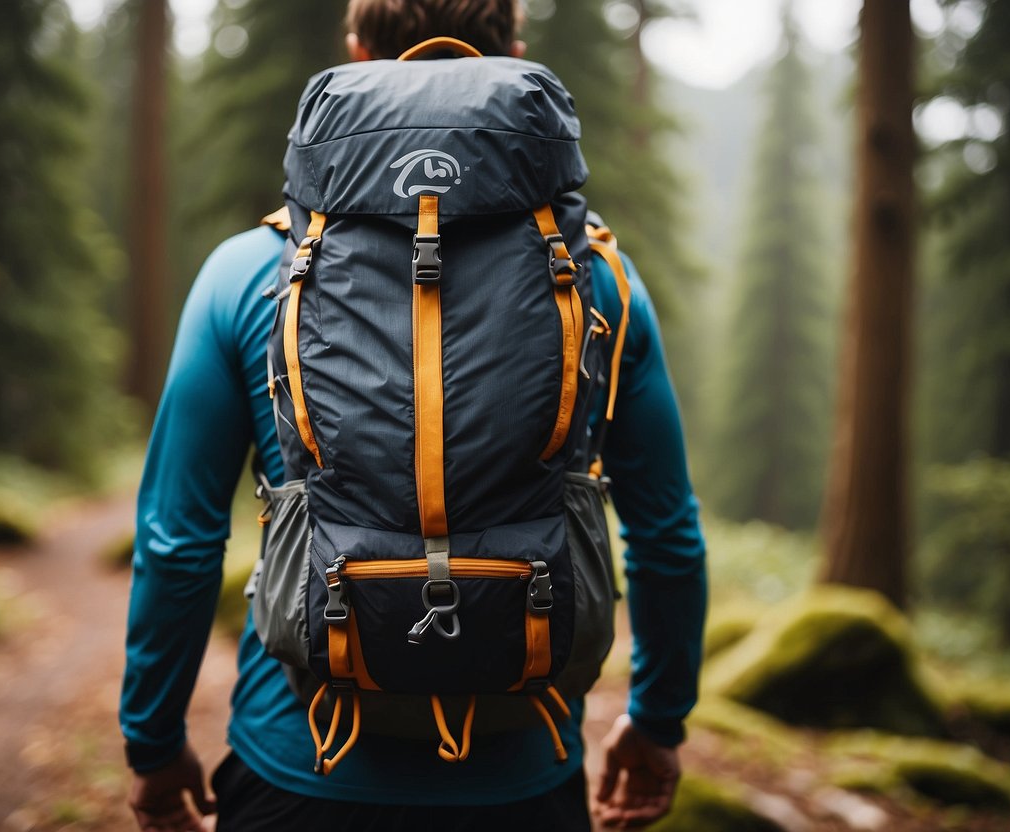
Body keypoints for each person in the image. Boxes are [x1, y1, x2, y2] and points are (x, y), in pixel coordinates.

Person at [120, 2, 707, 830]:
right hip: (523, 780)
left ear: (358, 52)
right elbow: (664, 533)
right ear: (512, 51)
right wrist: (656, 720)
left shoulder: (250, 271)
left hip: (298, 767)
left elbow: (178, 540)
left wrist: (151, 741)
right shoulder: (598, 279)